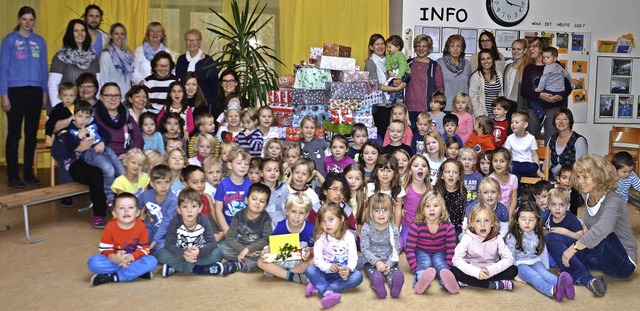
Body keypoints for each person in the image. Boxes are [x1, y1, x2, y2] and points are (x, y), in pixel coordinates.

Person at [545, 155, 637, 297]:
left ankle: (573, 268)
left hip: (623, 263)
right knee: (551, 237)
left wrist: (574, 248)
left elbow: (601, 230)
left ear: (598, 176)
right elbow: (587, 229)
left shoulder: (614, 201)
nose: (580, 182)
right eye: (579, 177)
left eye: (585, 177)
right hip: (599, 256)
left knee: (602, 234)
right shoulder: (587, 194)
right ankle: (588, 280)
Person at [1, 6, 48, 187]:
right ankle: (12, 175)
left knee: (31, 134)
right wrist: (4, 95)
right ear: (19, 20)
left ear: (34, 21)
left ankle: (28, 173)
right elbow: (3, 69)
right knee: (14, 134)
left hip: (35, 92)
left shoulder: (40, 41)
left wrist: (44, 93)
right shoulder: (9, 41)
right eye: (24, 19)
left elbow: (44, 69)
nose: (27, 23)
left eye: (31, 19)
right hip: (15, 91)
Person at [156, 189, 239, 277]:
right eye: (184, 207)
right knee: (160, 254)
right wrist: (183, 254)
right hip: (182, 254)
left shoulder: (203, 220)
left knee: (218, 253)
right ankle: (201, 269)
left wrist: (199, 252)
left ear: (200, 208)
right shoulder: (175, 222)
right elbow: (169, 244)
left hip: (199, 255)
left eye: (194, 206)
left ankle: (177, 268)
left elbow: (212, 243)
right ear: (178, 209)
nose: (189, 210)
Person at [506, 202, 575, 301]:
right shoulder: (512, 236)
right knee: (535, 277)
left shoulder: (538, 234)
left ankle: (565, 288)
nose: (527, 223)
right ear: (517, 220)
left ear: (537, 221)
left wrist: (546, 267)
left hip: (535, 261)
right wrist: (514, 274)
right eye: (523, 219)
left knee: (546, 275)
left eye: (531, 219)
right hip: (520, 265)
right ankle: (552, 291)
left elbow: (543, 251)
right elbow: (509, 256)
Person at [60, 100, 124, 207]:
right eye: (80, 116)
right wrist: (79, 137)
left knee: (121, 171)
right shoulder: (71, 130)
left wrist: (103, 142)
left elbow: (107, 135)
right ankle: (110, 197)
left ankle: (124, 197)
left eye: (87, 117)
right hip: (91, 153)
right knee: (109, 169)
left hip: (105, 149)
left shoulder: (94, 123)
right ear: (74, 115)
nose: (84, 120)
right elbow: (69, 147)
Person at [87, 193, 157, 286]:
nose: (126, 211)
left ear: (137, 213)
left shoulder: (141, 226)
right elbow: (104, 249)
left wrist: (130, 257)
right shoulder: (110, 227)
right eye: (121, 208)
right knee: (93, 262)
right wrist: (114, 257)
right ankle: (136, 272)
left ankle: (113, 277)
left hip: (133, 259)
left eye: (131, 207)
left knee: (152, 261)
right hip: (115, 260)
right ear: (114, 213)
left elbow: (144, 249)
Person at [304, 202, 363, 309]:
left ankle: (320, 287)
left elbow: (353, 257)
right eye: (323, 221)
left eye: (331, 220)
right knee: (310, 270)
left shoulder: (349, 237)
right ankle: (327, 292)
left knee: (358, 277)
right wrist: (329, 267)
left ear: (341, 219)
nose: (327, 224)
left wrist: (349, 269)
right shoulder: (320, 239)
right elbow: (318, 261)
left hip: (342, 273)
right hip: (325, 271)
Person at [452, 203, 517, 290]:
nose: (482, 224)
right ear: (472, 224)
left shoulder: (497, 238)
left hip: (490, 271)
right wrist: (476, 272)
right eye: (478, 221)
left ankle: (467, 282)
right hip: (472, 270)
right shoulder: (467, 237)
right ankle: (493, 285)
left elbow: (509, 258)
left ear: (493, 223)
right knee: (454, 271)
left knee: (513, 270)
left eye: (486, 220)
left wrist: (491, 270)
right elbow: (456, 259)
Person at [405, 191, 459, 295]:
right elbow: (410, 249)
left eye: (435, 206)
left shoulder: (448, 226)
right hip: (421, 251)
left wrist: (448, 266)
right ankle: (420, 281)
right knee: (425, 262)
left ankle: (447, 282)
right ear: (422, 209)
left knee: (440, 263)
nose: (432, 209)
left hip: (440, 251)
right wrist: (415, 268)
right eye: (427, 206)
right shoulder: (416, 225)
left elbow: (451, 249)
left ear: (442, 208)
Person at [521, 37, 572, 142]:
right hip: (534, 108)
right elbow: (524, 91)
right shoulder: (529, 68)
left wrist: (560, 97)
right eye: (530, 46)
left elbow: (568, 87)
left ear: (542, 49)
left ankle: (549, 158)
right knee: (529, 140)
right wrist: (540, 95)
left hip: (553, 106)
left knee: (551, 140)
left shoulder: (556, 65)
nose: (531, 49)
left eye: (535, 46)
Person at [257, 192, 315, 284]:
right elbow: (271, 246)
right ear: (287, 211)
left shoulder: (310, 229)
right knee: (260, 262)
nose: (296, 216)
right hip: (282, 259)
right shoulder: (281, 226)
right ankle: (292, 276)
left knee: (314, 261)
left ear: (307, 214)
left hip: (300, 262)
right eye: (293, 211)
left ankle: (280, 272)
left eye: (301, 213)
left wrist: (310, 252)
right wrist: (265, 252)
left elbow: (315, 250)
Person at [220, 183, 272, 273]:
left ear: (266, 205)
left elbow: (267, 239)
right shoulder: (239, 215)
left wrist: (249, 249)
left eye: (262, 201)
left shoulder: (266, 219)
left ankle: (239, 264)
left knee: (263, 257)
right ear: (247, 200)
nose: (257, 203)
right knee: (222, 250)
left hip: (256, 250)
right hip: (240, 246)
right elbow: (229, 237)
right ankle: (239, 260)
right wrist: (243, 249)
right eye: (254, 199)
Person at [360, 194, 404, 299]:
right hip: (371, 261)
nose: (381, 214)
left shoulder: (393, 228)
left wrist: (389, 263)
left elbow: (396, 248)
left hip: (389, 259)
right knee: (374, 274)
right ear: (370, 213)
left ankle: (395, 287)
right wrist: (376, 262)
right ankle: (378, 287)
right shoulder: (366, 228)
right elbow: (364, 249)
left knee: (393, 273)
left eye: (385, 210)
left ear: (390, 212)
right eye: (376, 210)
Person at [49, 19, 99, 107]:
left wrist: (97, 106)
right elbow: (53, 85)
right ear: (70, 34)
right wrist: (58, 109)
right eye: (76, 31)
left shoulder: (93, 56)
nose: (80, 33)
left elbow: (98, 83)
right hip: (66, 107)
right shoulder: (61, 56)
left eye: (82, 30)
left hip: (87, 108)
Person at [364, 34, 406, 138]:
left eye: (382, 44)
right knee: (384, 134)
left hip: (394, 104)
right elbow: (375, 85)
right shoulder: (371, 63)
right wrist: (395, 89)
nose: (380, 46)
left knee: (396, 133)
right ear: (371, 47)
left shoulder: (390, 59)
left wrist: (398, 82)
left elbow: (396, 76)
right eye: (377, 44)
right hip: (380, 105)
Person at [92, 83, 144, 157]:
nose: (113, 99)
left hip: (126, 157)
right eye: (109, 95)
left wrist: (128, 154)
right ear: (101, 97)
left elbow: (139, 140)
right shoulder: (93, 116)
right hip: (102, 157)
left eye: (116, 95)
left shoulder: (127, 117)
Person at [405, 34, 445, 127]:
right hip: (408, 109)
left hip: (427, 110)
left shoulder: (434, 66)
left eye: (424, 46)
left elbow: (440, 89)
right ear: (414, 48)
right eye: (418, 46)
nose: (421, 48)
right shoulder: (407, 63)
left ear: (429, 48)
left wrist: (435, 107)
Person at [139, 164, 178, 252]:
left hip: (164, 235)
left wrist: (155, 241)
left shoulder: (173, 200)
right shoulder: (146, 195)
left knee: (160, 251)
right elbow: (135, 208)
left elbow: (166, 223)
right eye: (159, 182)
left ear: (171, 182)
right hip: (147, 231)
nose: (163, 186)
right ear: (152, 184)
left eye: (167, 182)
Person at [175, 29, 218, 106]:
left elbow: (214, 85)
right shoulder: (181, 60)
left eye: (194, 40)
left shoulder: (208, 61)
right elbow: (178, 81)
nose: (191, 43)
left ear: (199, 42)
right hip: (183, 102)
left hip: (203, 102)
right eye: (188, 40)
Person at [532, 47, 573, 122]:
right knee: (563, 100)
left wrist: (539, 90)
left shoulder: (547, 68)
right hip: (560, 91)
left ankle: (539, 112)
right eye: (543, 57)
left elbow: (543, 80)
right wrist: (571, 83)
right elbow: (567, 74)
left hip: (550, 91)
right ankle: (564, 109)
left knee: (533, 99)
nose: (545, 59)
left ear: (554, 59)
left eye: (547, 58)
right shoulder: (559, 67)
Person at [547, 108, 587, 179]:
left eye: (565, 119)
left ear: (570, 122)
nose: (561, 122)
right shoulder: (552, 138)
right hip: (552, 179)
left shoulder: (579, 140)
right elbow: (546, 163)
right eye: (558, 119)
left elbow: (580, 167)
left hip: (571, 181)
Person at [503, 111, 544, 181]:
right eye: (512, 122)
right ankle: (517, 192)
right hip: (515, 162)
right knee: (516, 176)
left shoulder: (531, 138)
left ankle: (513, 168)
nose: (513, 124)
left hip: (527, 165)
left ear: (525, 125)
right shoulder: (510, 138)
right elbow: (507, 154)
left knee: (534, 167)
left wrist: (538, 171)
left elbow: (534, 155)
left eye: (516, 122)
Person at [437, 34, 472, 111]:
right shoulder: (439, 63)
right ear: (448, 48)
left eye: (458, 46)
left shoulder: (467, 64)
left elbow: (470, 85)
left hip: (462, 109)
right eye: (452, 46)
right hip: (445, 108)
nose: (455, 49)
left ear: (462, 49)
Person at [99, 23, 134, 95]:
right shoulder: (106, 55)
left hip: (127, 97)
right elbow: (103, 80)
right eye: (116, 34)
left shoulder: (129, 55)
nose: (119, 37)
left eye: (122, 34)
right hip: (113, 97)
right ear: (111, 36)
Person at [469, 49, 503, 118]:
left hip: (498, 116)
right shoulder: (476, 76)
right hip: (482, 116)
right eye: (483, 59)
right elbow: (473, 98)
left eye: (488, 58)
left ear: (492, 59)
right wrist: (481, 116)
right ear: (480, 61)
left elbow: (501, 95)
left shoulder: (499, 74)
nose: (486, 61)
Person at [503, 39, 530, 116]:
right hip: (506, 104)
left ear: (525, 50)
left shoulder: (527, 68)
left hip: (518, 105)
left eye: (519, 49)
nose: (515, 51)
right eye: (513, 49)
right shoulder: (508, 66)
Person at [385, 35, 410, 104]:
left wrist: (399, 77)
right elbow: (387, 64)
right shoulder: (388, 56)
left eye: (390, 47)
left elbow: (403, 66)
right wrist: (389, 71)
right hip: (395, 74)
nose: (388, 49)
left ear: (397, 47)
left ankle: (399, 98)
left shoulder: (400, 55)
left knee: (399, 83)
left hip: (404, 73)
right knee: (391, 84)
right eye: (387, 47)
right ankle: (392, 98)